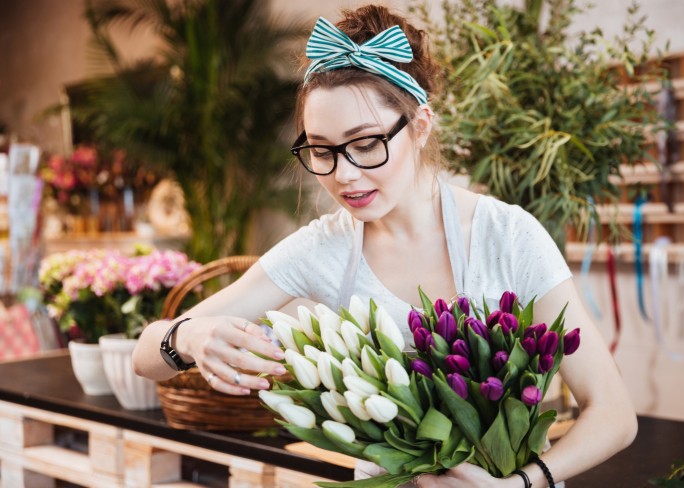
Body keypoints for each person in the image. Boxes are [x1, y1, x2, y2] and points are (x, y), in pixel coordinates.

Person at [132, 5, 637, 487]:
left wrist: (521, 483)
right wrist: (190, 337)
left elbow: (613, 414)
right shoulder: (323, 248)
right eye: (322, 150)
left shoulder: (507, 237)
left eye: (366, 143)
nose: (345, 175)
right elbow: (143, 354)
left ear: (419, 126)